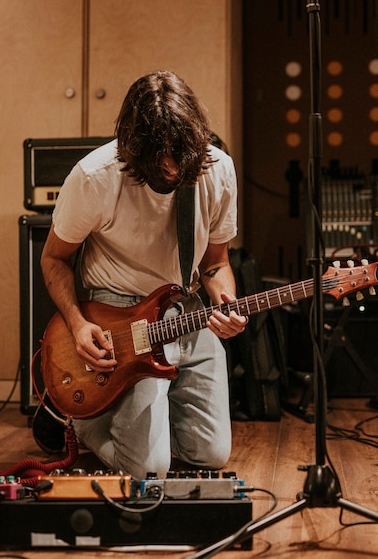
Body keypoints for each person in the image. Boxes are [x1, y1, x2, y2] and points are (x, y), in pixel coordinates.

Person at [37, 70, 247, 480]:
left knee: (211, 454)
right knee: (146, 469)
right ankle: (82, 420)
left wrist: (226, 302)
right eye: (155, 156)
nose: (168, 167)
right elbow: (54, 259)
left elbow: (215, 263)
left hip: (186, 309)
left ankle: (137, 417)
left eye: (177, 154)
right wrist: (78, 325)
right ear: (131, 147)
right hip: (117, 312)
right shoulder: (94, 177)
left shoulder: (217, 170)